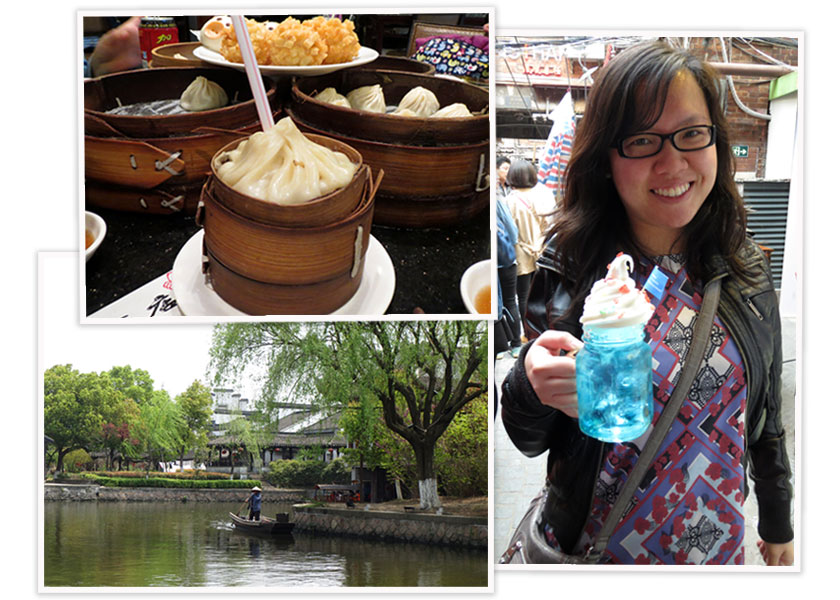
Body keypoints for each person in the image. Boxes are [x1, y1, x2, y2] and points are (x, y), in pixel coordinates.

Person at [500, 40, 793, 566]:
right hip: (597, 552)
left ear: (716, 143)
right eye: (641, 140)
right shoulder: (571, 263)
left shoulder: (746, 267)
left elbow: (766, 416)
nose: (672, 162)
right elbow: (528, 437)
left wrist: (777, 518)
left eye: (691, 134)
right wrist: (529, 380)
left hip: (716, 551)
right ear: (606, 156)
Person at [504, 160, 556, 331]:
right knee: (543, 293)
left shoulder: (508, 201)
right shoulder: (545, 194)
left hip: (521, 253)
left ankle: (529, 331)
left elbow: (509, 232)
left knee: (524, 295)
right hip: (543, 250)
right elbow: (552, 224)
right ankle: (546, 328)